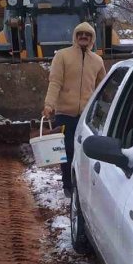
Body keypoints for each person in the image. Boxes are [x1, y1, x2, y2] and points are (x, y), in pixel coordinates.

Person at [42, 22, 105, 197]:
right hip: (65, 114)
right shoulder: (62, 56)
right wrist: (49, 104)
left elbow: (103, 88)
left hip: (86, 116)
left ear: (92, 38)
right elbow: (55, 82)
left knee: (85, 151)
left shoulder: (97, 61)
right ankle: (68, 185)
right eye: (80, 34)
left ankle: (82, 184)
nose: (83, 37)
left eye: (87, 34)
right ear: (75, 37)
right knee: (67, 150)